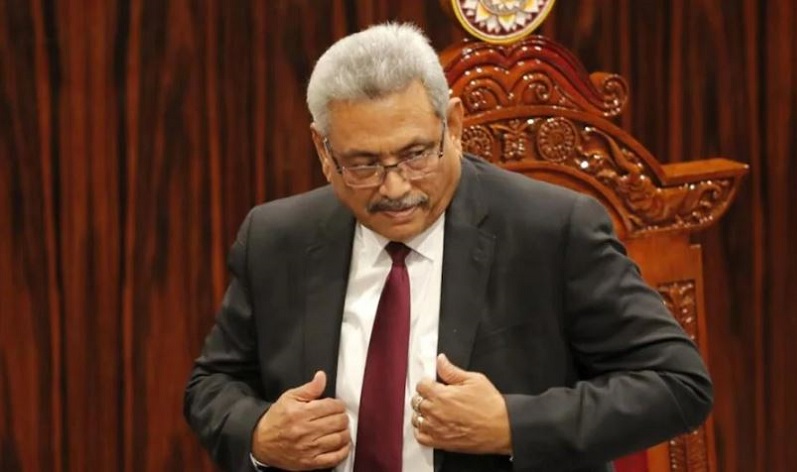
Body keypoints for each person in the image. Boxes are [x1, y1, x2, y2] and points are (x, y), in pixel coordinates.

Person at [184, 22, 713, 472]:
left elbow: (678, 384)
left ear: (453, 126)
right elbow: (211, 384)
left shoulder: (553, 231)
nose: (395, 188)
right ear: (323, 151)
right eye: (364, 164)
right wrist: (259, 434)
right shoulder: (276, 238)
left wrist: (511, 424)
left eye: (416, 154)